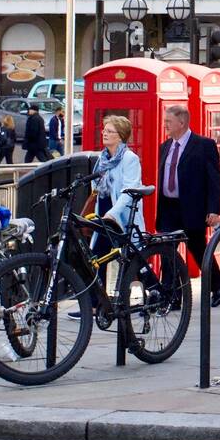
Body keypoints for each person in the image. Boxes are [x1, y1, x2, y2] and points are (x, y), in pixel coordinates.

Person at [74, 116, 147, 317]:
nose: (104, 134)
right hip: (103, 214)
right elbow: (97, 188)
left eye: (110, 131)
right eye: (104, 130)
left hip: (122, 216)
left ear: (121, 136)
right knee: (96, 257)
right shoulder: (103, 158)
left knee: (133, 261)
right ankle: (94, 305)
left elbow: (129, 190)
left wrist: (112, 214)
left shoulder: (130, 159)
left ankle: (145, 298)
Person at [157, 104, 220, 307]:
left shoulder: (204, 145)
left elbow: (214, 179)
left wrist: (213, 209)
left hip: (192, 207)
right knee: (167, 251)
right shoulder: (165, 146)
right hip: (169, 207)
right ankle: (172, 295)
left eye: (168, 121)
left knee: (197, 249)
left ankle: (218, 283)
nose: (165, 125)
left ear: (181, 122)